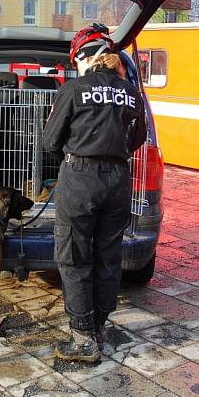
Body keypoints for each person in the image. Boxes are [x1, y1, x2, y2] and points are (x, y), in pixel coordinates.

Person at [42, 23, 147, 362]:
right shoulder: (131, 92)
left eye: (77, 61)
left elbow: (49, 141)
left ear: (85, 57)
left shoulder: (74, 89)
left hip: (80, 178)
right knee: (107, 255)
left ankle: (83, 339)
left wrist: (77, 156)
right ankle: (99, 327)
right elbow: (139, 137)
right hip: (118, 179)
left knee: (73, 257)